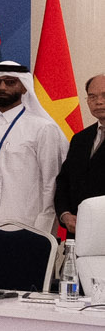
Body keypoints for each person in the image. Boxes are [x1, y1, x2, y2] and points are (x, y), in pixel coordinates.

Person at [0, 61, 66, 237]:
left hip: (24, 224)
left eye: (10, 82)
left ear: (24, 87)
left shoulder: (42, 128)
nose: (2, 87)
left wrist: (42, 228)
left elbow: (51, 183)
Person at [56, 75, 105, 235]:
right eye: (92, 96)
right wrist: (65, 215)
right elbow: (64, 181)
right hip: (79, 232)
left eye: (104, 95)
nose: (99, 102)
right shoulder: (80, 139)